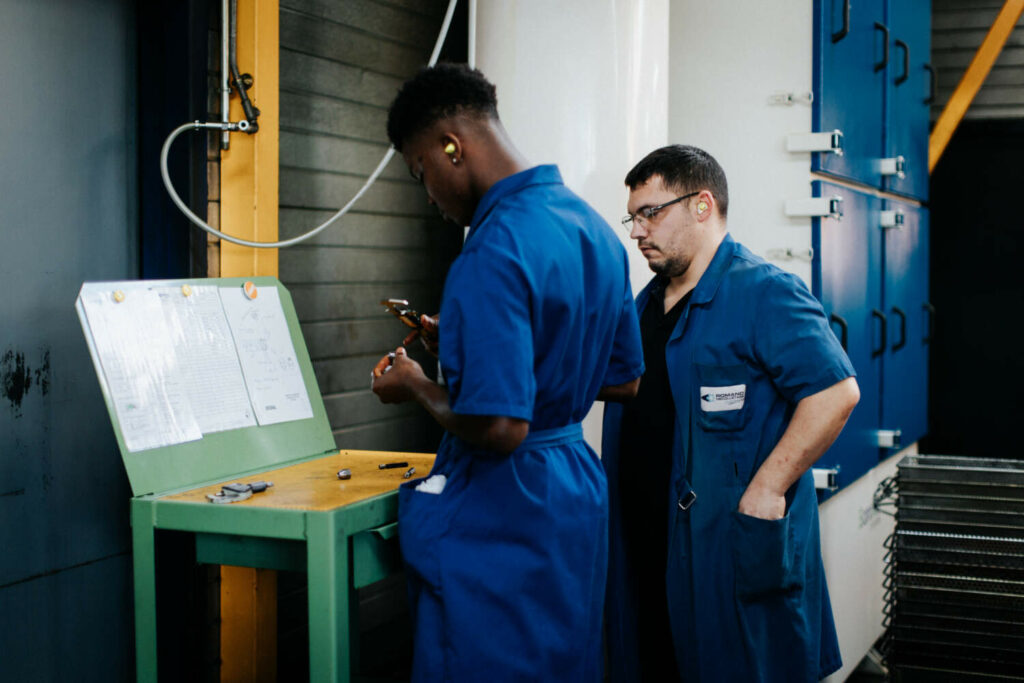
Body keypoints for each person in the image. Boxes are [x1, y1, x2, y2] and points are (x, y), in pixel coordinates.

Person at [371, 63, 644, 681]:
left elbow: (500, 428)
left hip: (507, 509)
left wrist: (415, 384)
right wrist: (486, 347)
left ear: (451, 147)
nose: (431, 197)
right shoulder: (593, 230)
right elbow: (624, 379)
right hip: (574, 491)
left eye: (421, 173)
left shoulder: (491, 251)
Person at [602, 145, 860, 682]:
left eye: (650, 213)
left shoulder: (764, 292)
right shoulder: (643, 306)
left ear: (702, 205)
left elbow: (836, 393)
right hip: (648, 544)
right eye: (633, 217)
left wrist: (769, 488)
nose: (636, 231)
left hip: (724, 548)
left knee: (741, 664)